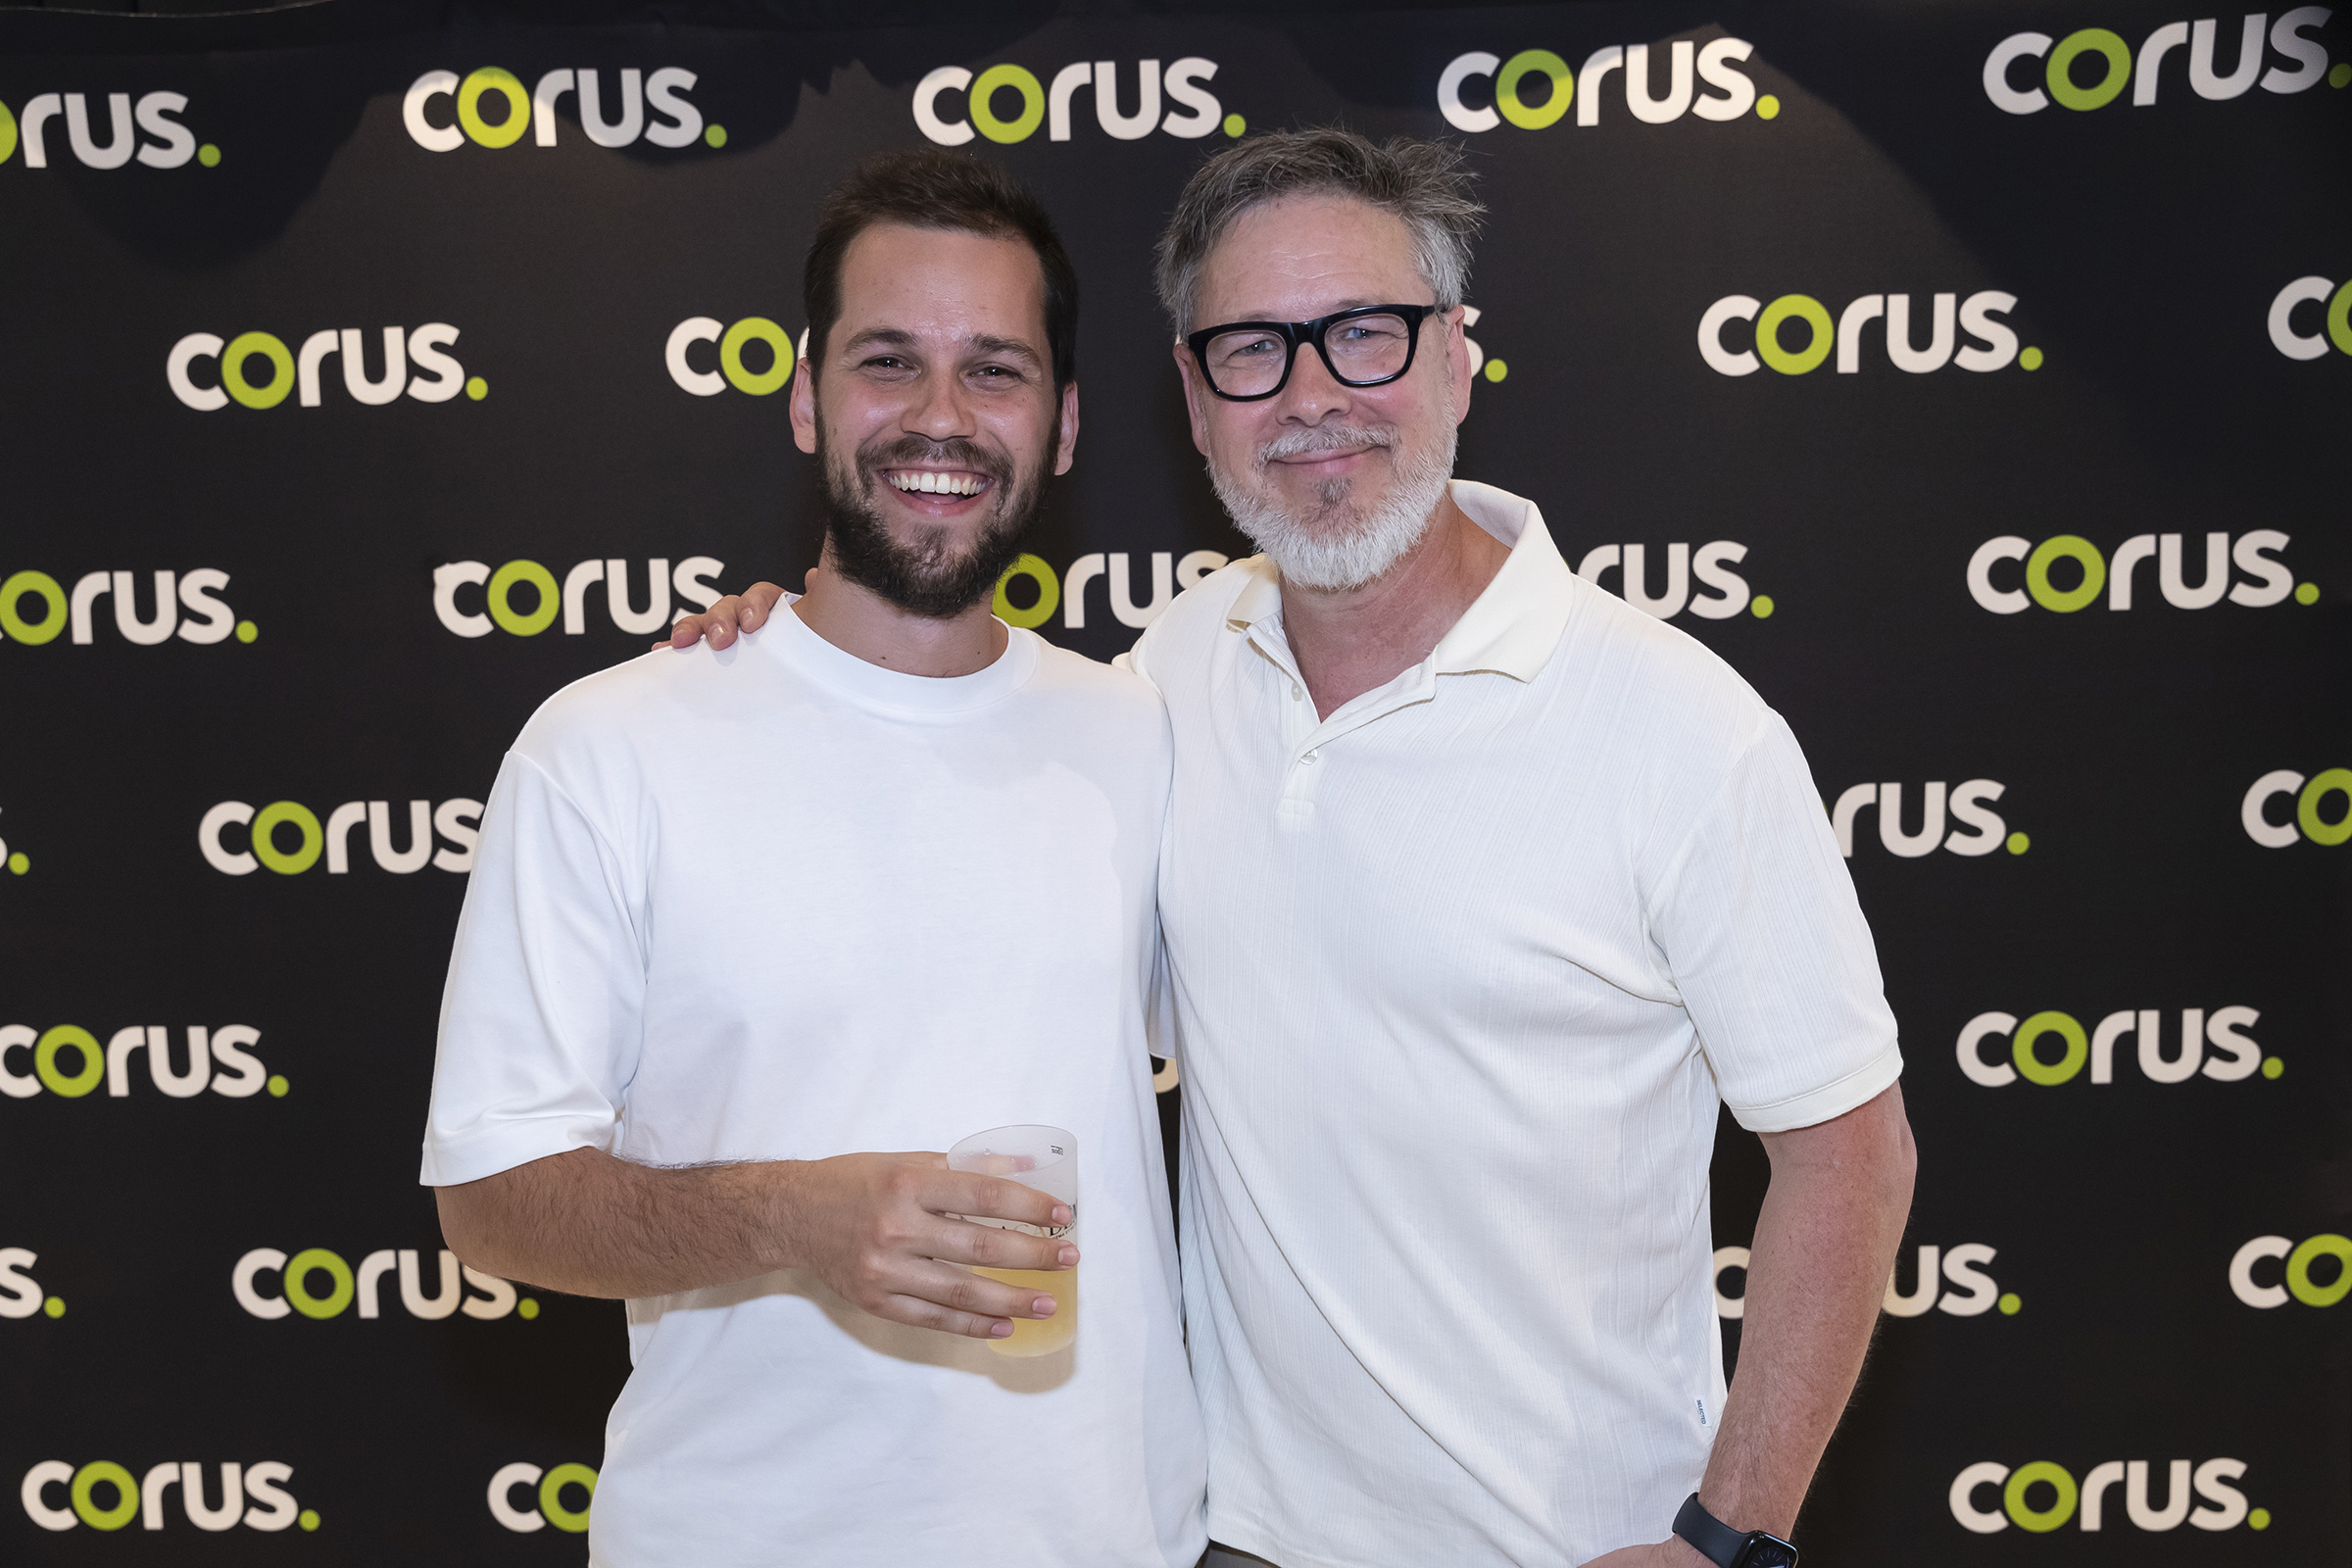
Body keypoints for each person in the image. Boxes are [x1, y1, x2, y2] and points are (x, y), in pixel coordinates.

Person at [679, 130, 1915, 1568]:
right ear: (1194, 402)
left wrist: (1730, 1537)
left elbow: (1850, 1153)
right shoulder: (1174, 673)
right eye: (1253, 349)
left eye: (1366, 332)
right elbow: (954, 761)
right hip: (1234, 1536)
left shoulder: (1681, 730)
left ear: (1457, 357)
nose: (1314, 394)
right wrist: (795, 653)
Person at [420, 149, 1205, 1568]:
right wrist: (795, 1217)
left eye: (997, 371)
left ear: (1066, 425)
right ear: (805, 397)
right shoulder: (611, 747)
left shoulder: (1143, 734)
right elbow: (491, 1199)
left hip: (1110, 1538)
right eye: (888, 361)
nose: (941, 416)